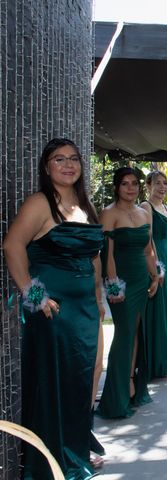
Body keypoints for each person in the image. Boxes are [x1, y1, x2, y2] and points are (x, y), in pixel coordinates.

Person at [3, 138, 104, 478]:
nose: (68, 165)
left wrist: (98, 296)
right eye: (59, 159)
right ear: (47, 167)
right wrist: (32, 293)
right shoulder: (40, 203)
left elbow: (93, 256)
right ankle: (50, 463)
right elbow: (12, 245)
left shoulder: (85, 205)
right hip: (53, 310)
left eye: (73, 159)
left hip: (85, 309)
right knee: (54, 383)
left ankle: (74, 450)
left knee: (82, 380)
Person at [97, 167, 158, 419]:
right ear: (116, 187)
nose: (131, 188)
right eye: (125, 184)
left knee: (135, 333)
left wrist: (156, 276)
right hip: (120, 282)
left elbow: (147, 251)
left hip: (141, 280)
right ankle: (116, 396)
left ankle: (131, 381)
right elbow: (106, 254)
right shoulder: (108, 214)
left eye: (134, 183)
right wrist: (112, 286)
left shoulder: (144, 213)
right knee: (123, 334)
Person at [140, 171, 167, 378]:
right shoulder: (145, 207)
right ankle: (156, 362)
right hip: (153, 260)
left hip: (166, 257)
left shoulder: (165, 207)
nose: (162, 187)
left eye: (165, 183)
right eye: (157, 183)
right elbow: (148, 239)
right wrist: (156, 268)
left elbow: (166, 241)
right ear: (148, 185)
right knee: (156, 310)